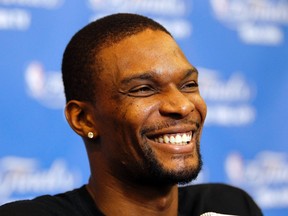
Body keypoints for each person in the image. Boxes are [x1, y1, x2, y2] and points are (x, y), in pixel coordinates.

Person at [0, 13, 262, 216]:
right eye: (144, 89)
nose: (182, 106)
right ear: (83, 119)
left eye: (189, 85)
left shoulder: (231, 206)